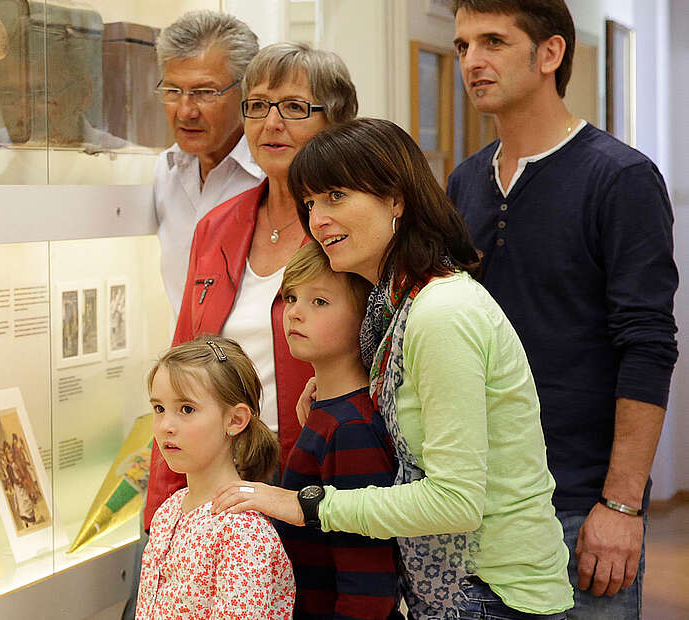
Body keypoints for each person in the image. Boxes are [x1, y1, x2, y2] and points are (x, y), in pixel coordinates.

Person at [213, 118, 572, 620]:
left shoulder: (439, 312)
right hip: (455, 590)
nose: (318, 220)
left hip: (492, 594)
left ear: (396, 200)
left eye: (336, 196)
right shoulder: (396, 307)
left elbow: (455, 502)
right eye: (311, 203)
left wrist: (309, 505)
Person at [445, 2, 677, 617]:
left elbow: (648, 345)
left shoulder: (621, 178)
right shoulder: (465, 182)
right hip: (476, 502)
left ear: (549, 54)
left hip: (579, 505)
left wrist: (622, 505)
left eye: (492, 40)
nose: (472, 60)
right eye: (463, 45)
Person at [147, 41, 359, 532]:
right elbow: (182, 364)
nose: (271, 123)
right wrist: (161, 505)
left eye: (294, 107)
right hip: (215, 488)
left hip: (316, 484)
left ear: (337, 120)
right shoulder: (218, 224)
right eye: (258, 106)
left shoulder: (347, 231)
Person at [276, 243, 400, 620]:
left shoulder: (350, 428)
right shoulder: (326, 412)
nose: (295, 313)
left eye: (320, 302)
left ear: (364, 319)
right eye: (291, 297)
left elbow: (368, 588)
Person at [139, 336, 294, 620]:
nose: (166, 427)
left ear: (235, 420)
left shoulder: (243, 533)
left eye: (186, 409)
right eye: (159, 409)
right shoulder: (168, 512)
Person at [152, 10, 264, 316]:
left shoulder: (271, 176)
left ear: (246, 91)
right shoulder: (166, 171)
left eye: (204, 93)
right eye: (173, 91)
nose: (186, 110)